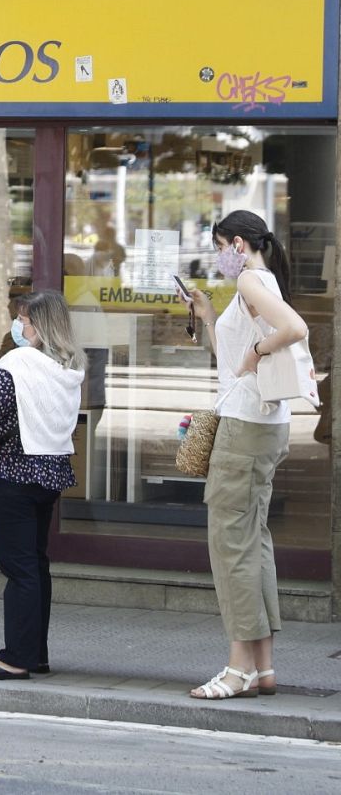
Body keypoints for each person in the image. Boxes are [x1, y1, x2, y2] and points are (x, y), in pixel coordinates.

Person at [182, 210, 305, 699]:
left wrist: (256, 353)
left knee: (231, 548)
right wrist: (211, 318)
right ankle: (262, 667)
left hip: (246, 430)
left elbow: (293, 330)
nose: (217, 258)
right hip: (262, 426)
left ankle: (238, 669)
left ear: (237, 243)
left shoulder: (253, 280)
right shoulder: (260, 282)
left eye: (218, 247)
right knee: (253, 543)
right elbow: (233, 365)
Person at [0, 291, 86, 681]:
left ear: (39, 327)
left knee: (19, 571)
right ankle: (35, 653)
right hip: (48, 475)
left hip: (10, 477)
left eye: (24, 322)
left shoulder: (19, 363)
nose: (19, 328)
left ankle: (15, 658)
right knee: (36, 566)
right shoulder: (68, 367)